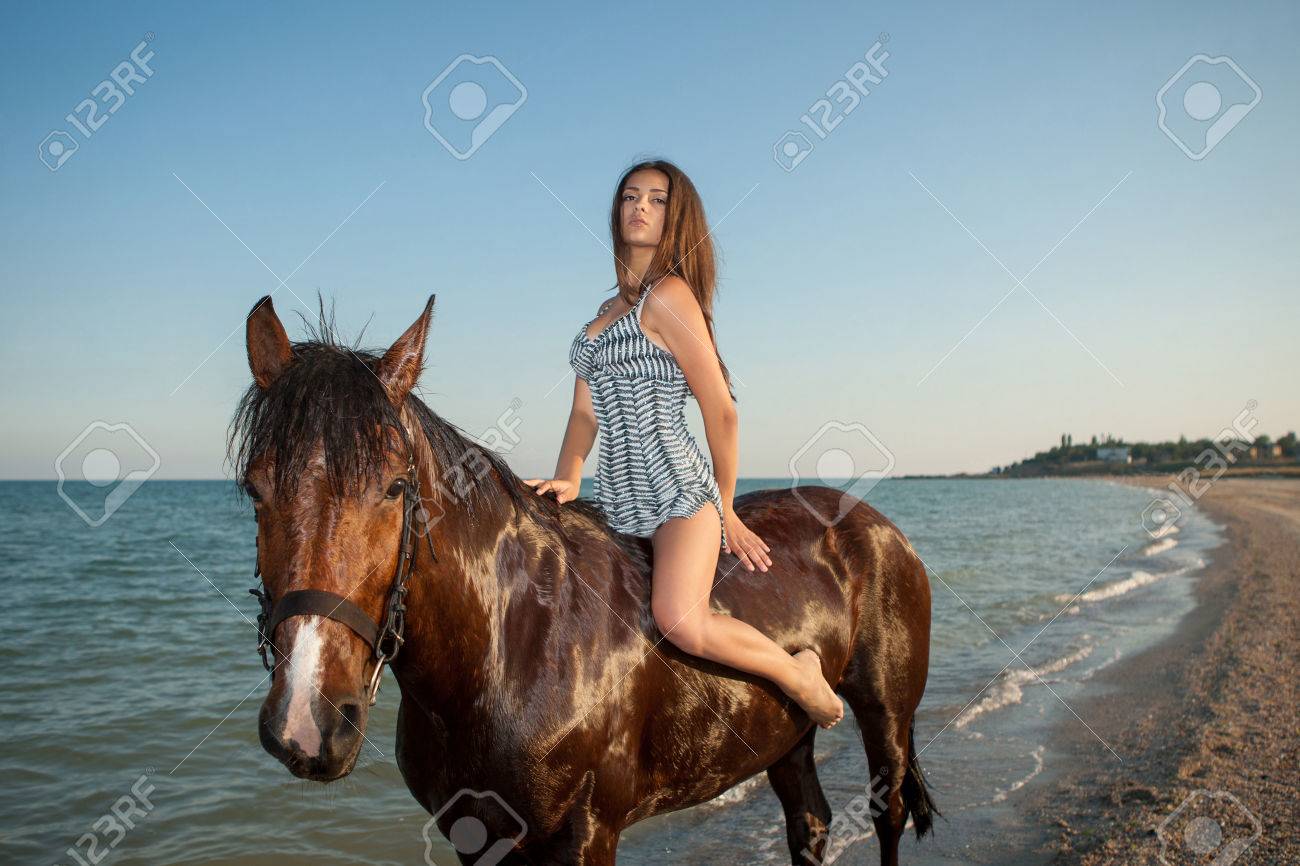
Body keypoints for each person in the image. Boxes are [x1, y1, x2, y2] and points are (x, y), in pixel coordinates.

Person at [524, 159, 842, 728]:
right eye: (629, 196)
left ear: (677, 218)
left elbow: (722, 412)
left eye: (656, 199)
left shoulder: (669, 297)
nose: (639, 206)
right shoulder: (601, 317)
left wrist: (725, 505)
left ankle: (800, 675)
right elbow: (582, 416)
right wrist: (568, 476)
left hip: (678, 496)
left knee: (679, 619)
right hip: (617, 505)